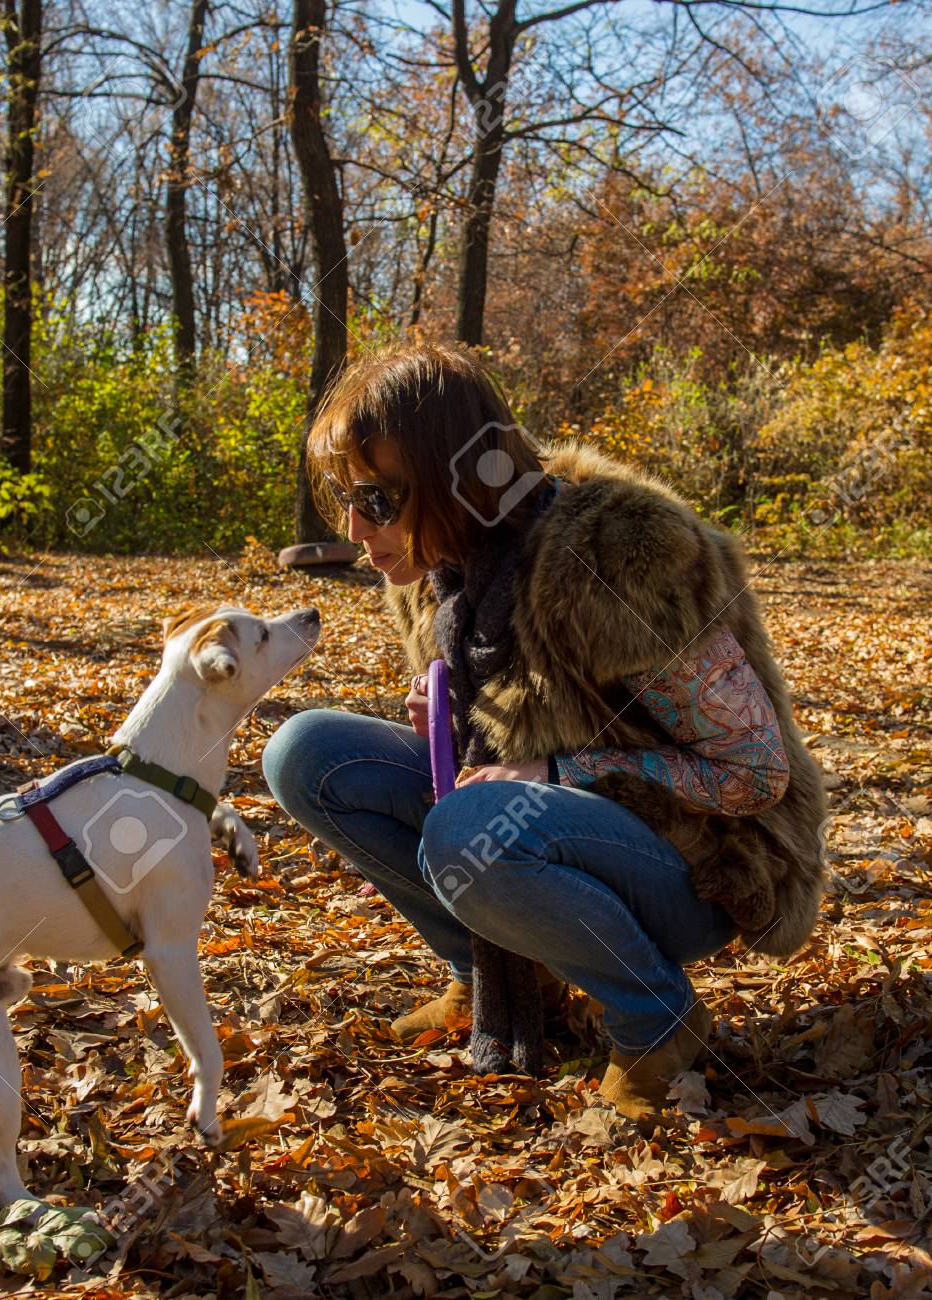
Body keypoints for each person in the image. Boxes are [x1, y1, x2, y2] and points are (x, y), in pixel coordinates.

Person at [262, 341, 828, 1118]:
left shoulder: (618, 557)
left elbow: (755, 773)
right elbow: (507, 732)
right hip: (552, 830)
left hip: (703, 863)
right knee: (306, 753)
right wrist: (450, 726)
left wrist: (559, 774)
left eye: (379, 500)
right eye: (342, 497)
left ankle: (654, 1016)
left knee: (471, 831)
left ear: (455, 482)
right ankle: (493, 976)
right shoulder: (440, 569)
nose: (356, 528)